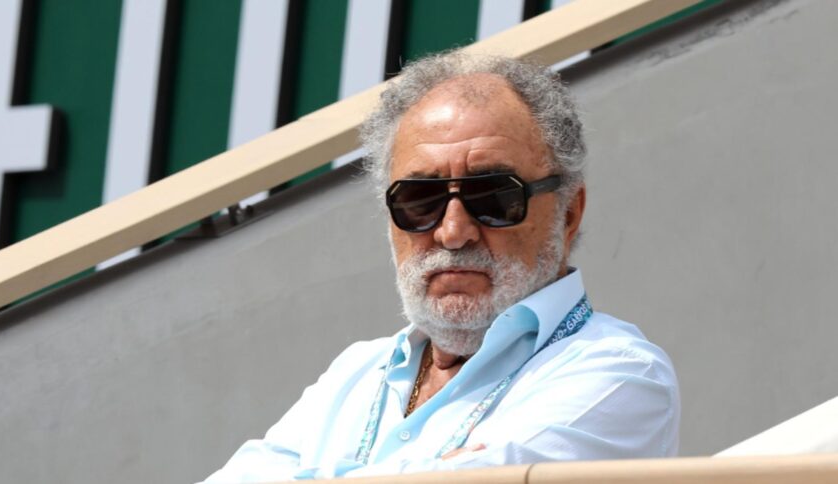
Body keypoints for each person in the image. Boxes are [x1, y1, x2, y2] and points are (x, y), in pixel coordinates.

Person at [200, 52, 680, 483]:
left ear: (568, 213)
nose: (453, 232)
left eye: (493, 197)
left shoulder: (618, 371)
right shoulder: (358, 371)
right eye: (419, 199)